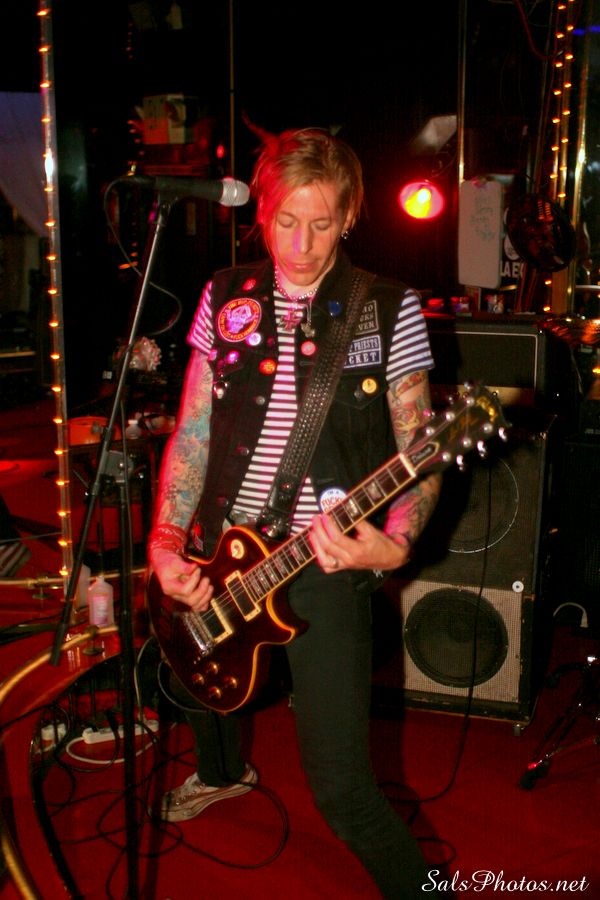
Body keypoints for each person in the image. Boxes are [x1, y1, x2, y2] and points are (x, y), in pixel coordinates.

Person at [148, 126, 442, 898]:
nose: (303, 245)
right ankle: (222, 772)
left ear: (349, 217)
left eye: (322, 223)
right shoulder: (225, 295)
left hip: (322, 561)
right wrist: (168, 543)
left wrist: (393, 547)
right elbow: (195, 431)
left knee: (344, 792)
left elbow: (421, 451)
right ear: (262, 213)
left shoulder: (389, 309)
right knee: (194, 670)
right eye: (286, 221)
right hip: (218, 547)